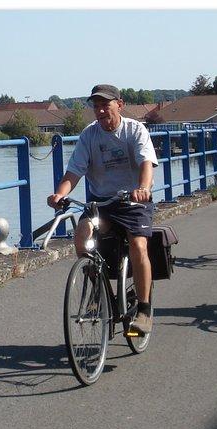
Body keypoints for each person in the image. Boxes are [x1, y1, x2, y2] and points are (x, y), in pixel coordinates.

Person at [47, 84, 158, 334]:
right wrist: (60, 194)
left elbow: (146, 164)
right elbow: (73, 172)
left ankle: (143, 309)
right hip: (102, 203)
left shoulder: (134, 130)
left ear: (120, 104)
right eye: (96, 106)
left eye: (105, 105)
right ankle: (100, 292)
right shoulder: (89, 135)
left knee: (138, 245)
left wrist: (143, 188)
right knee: (82, 237)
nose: (100, 111)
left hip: (133, 202)